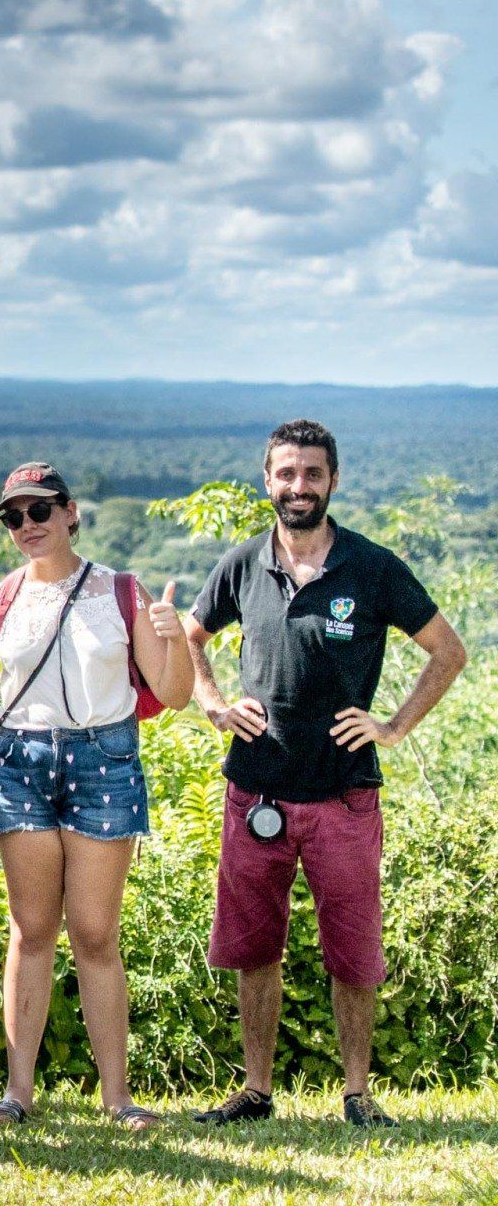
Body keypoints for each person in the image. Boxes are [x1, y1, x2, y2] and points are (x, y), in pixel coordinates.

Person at [184, 420, 465, 1129]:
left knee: (353, 948)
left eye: (312, 474)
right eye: (286, 474)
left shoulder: (372, 568)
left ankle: (358, 1094)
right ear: (267, 480)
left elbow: (448, 652)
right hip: (256, 790)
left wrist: (393, 727)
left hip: (344, 796)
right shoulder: (243, 564)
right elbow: (189, 637)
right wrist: (214, 702)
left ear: (333, 480)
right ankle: (254, 1090)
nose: (298, 487)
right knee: (255, 948)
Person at [0, 461, 190, 1129]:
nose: (27, 526)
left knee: (97, 934)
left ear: (70, 512)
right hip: (24, 758)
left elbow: (176, 692)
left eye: (39, 510)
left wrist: (175, 636)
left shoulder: (121, 591)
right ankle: (17, 1093)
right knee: (31, 930)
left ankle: (118, 1097)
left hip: (105, 756)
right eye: (12, 516)